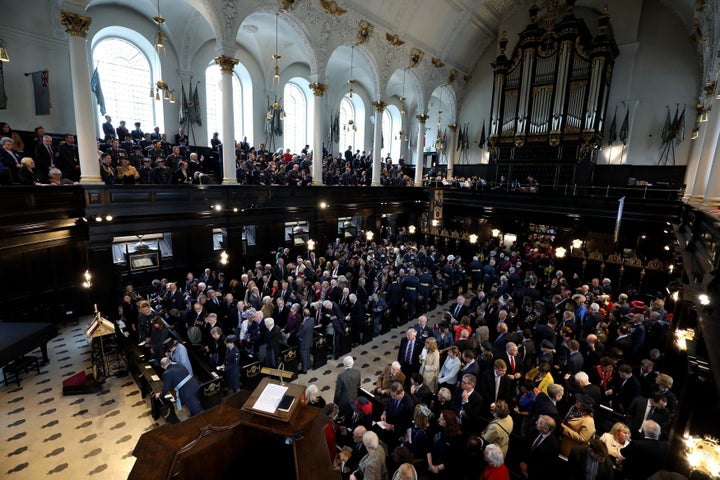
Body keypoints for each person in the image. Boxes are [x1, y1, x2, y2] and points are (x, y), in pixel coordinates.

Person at [519, 415, 560, 480]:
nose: (536, 423)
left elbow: (545, 466)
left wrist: (528, 469)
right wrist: (522, 462)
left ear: (545, 429)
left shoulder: (554, 446)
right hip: (521, 467)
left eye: (539, 423)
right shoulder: (535, 431)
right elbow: (525, 447)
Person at [426, 409, 463, 478]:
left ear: (448, 422)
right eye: (440, 417)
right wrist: (430, 465)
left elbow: (453, 459)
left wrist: (437, 468)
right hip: (431, 463)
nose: (439, 419)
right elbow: (428, 446)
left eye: (442, 419)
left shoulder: (456, 437)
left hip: (445, 469)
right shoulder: (436, 427)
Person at [559, 393, 596, 457]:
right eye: (578, 400)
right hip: (561, 441)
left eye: (580, 401)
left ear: (585, 407)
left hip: (570, 447)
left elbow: (583, 439)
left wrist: (565, 429)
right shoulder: (573, 409)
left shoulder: (589, 421)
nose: (577, 401)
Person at [334, 355, 361, 421]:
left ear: (344, 364)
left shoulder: (341, 375)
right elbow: (358, 386)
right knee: (350, 417)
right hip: (354, 400)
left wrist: (335, 402)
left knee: (341, 419)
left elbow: (338, 392)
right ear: (353, 363)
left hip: (343, 402)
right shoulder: (358, 373)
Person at [296, 308, 315, 373]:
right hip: (309, 341)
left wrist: (297, 334)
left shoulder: (303, 325)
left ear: (303, 315)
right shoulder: (312, 320)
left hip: (303, 342)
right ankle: (308, 366)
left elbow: (299, 334)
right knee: (307, 354)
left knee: (303, 356)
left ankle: (304, 369)